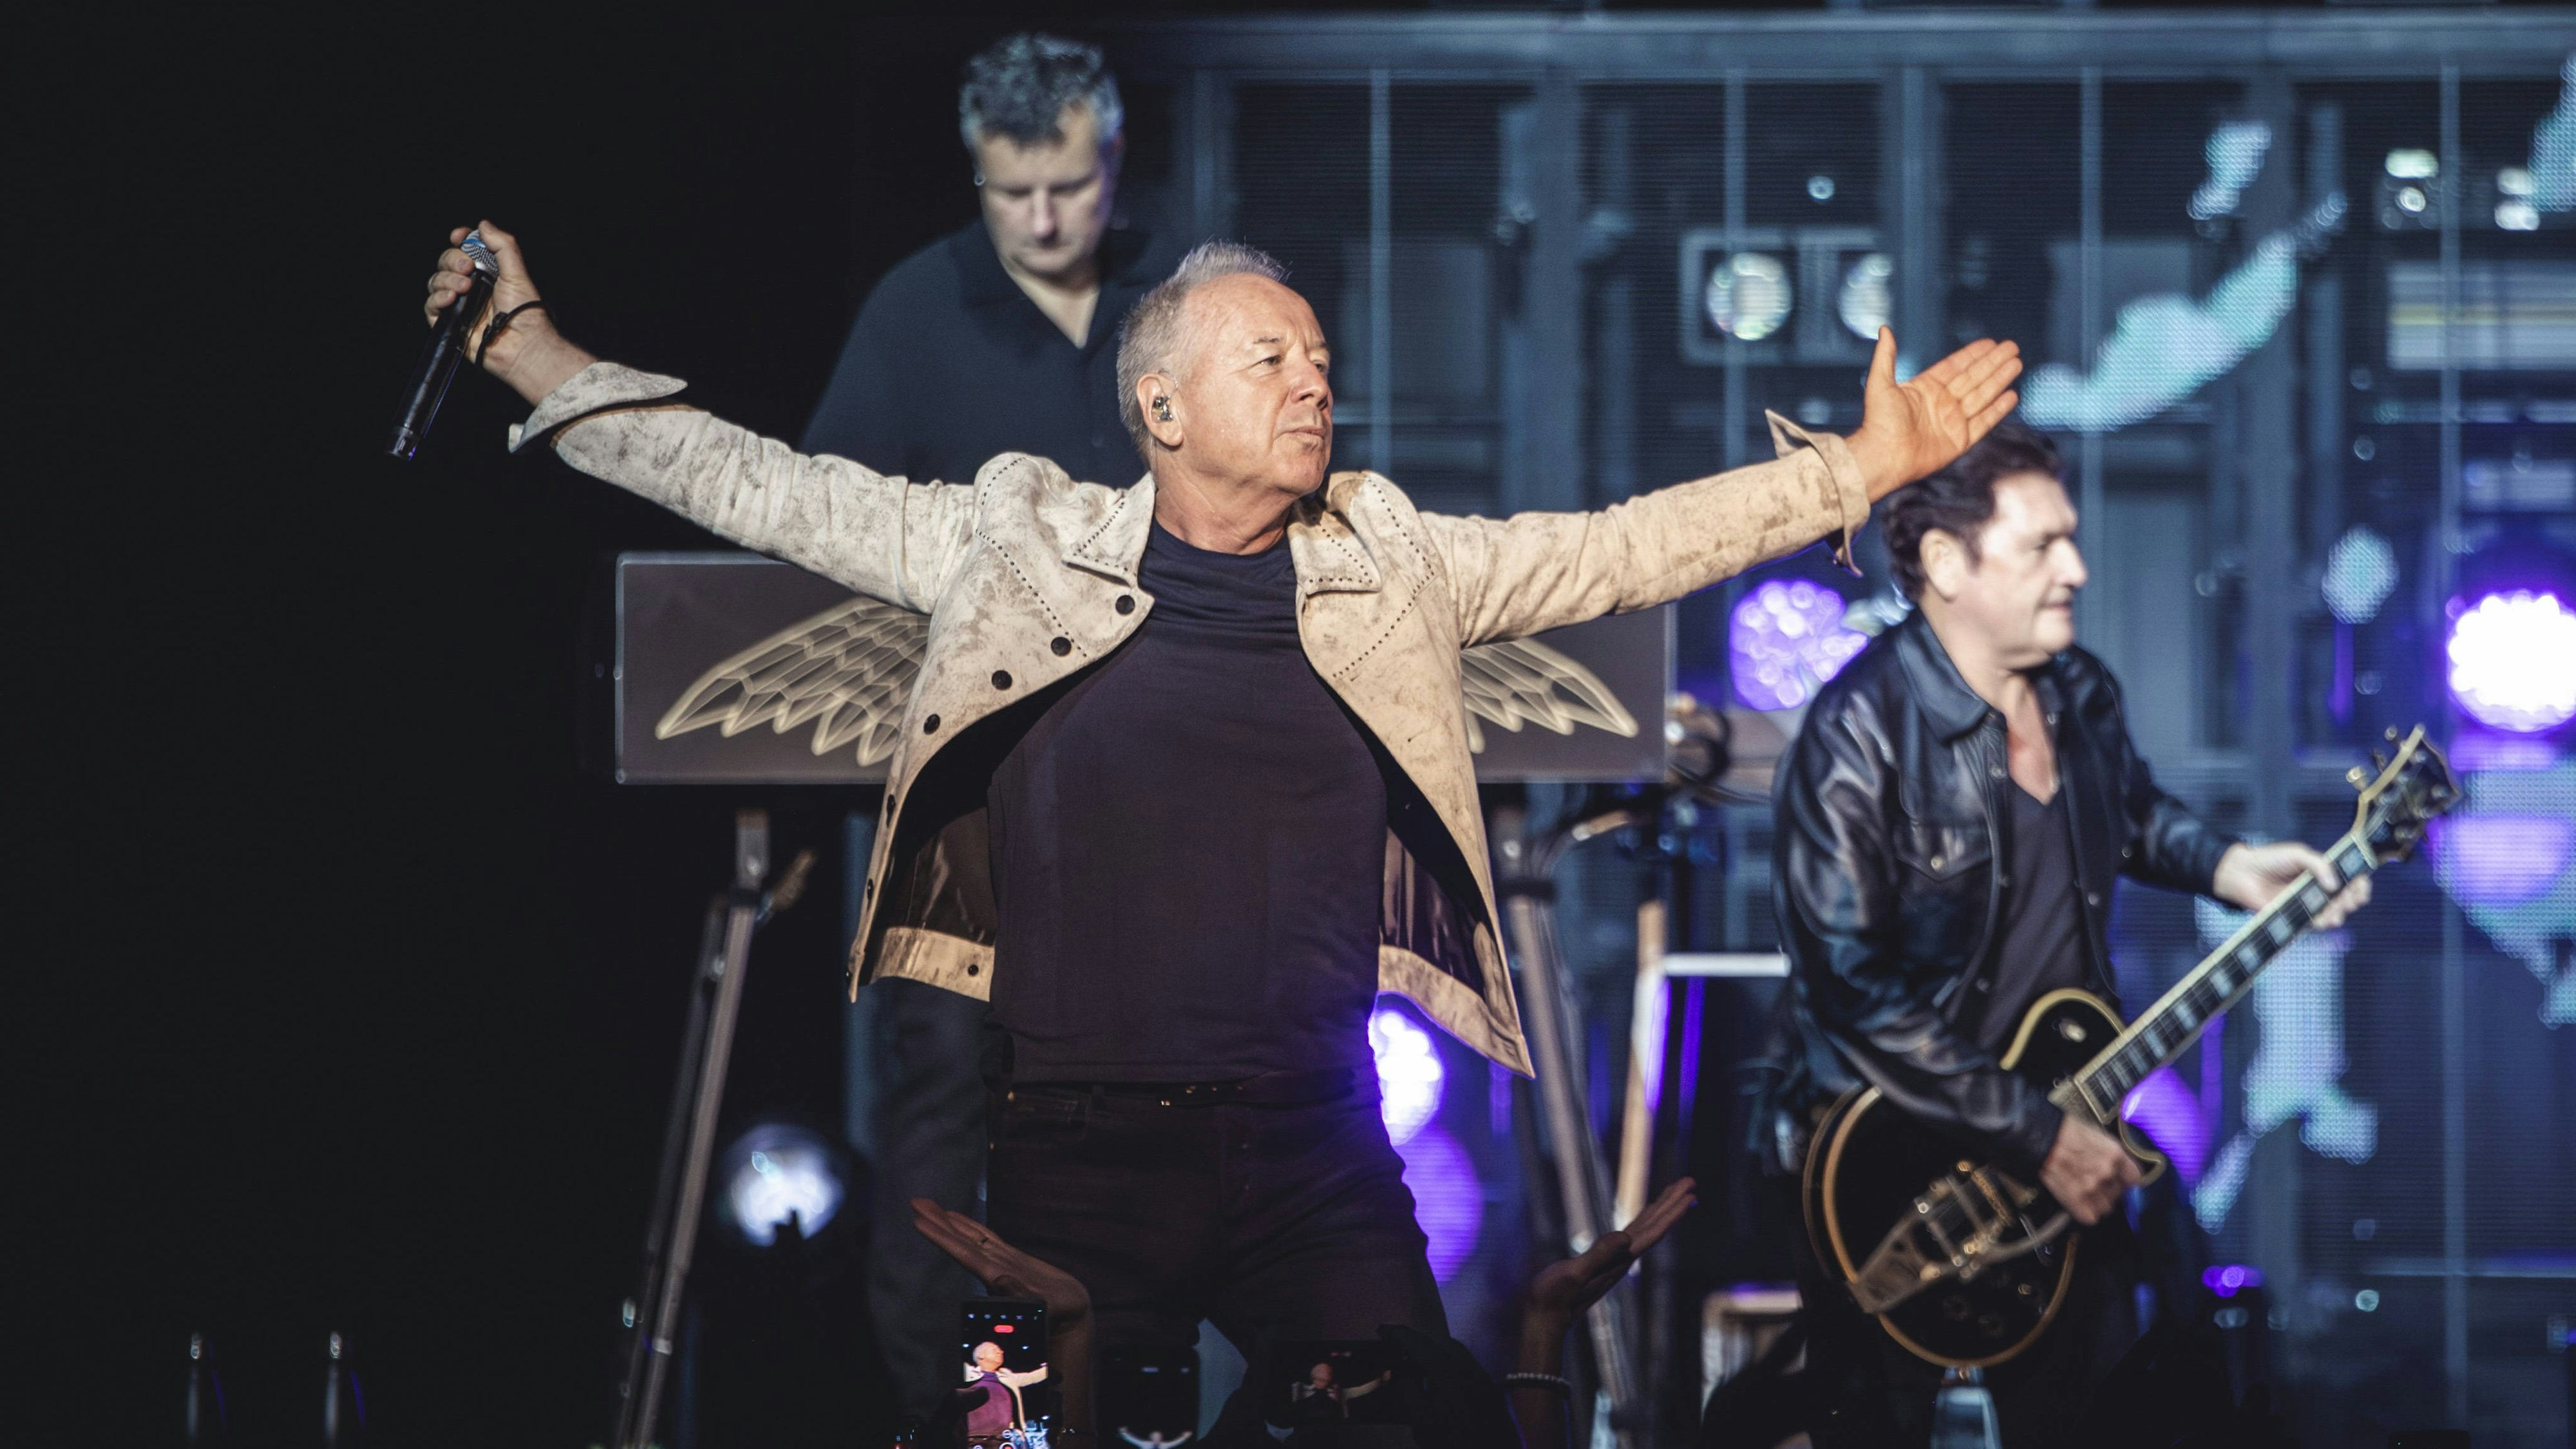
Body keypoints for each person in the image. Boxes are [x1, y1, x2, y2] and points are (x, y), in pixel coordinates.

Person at [419, 216, 2022, 1383]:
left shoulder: (1390, 560)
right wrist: (531, 355)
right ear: (1162, 409)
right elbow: (757, 479)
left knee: (1422, 1429)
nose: (1314, 383)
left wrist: (1850, 474)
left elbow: (1619, 545)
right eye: (1272, 358)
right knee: (1005, 1439)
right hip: (1059, 1162)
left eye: (1321, 360)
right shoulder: (1013, 546)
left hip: (1320, 1154)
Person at [1753, 423, 2371, 1447]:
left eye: (2070, 539)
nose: (2076, 568)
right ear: (1947, 563)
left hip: (2071, 1123)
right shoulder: (1854, 733)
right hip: (1897, 1171)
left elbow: (2127, 811)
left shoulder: (2080, 689)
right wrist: (2035, 1137)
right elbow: (1851, 990)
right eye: (2042, 545)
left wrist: (2229, 865)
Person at [799, 32, 1182, 1412]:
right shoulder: (915, 310)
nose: (1037, 220)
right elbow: (832, 533)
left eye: (1065, 189)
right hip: (961, 801)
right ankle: (939, 1414)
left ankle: (1135, 1406)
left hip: (1152, 802)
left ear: (1110, 163)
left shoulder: (1177, 297)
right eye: (1008, 192)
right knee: (941, 1098)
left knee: (1152, 1101)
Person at [956, 1340, 1050, 1445]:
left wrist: (1049, 1367)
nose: (1000, 1352)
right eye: (994, 1350)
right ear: (981, 1356)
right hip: (972, 1439)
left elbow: (1032, 1377)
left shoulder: (1007, 1378)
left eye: (1000, 1350)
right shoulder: (967, 1375)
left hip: (1004, 1438)